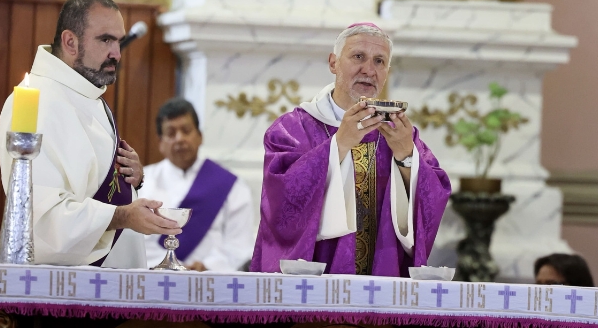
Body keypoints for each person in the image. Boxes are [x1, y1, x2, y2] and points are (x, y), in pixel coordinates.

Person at [251, 23, 451, 276]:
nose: (369, 70)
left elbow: (435, 196)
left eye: (379, 61)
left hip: (381, 281)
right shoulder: (293, 129)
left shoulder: (398, 133)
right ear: (333, 63)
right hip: (314, 282)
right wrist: (339, 145)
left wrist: (406, 157)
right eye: (358, 57)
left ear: (387, 72)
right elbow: (279, 204)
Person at [0, 0, 179, 267]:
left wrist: (133, 179)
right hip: (64, 296)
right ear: (70, 41)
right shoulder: (36, 101)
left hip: (115, 284)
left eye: (118, 41)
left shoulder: (87, 95)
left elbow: (94, 180)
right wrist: (123, 216)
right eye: (106, 40)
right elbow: (42, 221)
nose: (116, 53)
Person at [140, 98, 254, 272]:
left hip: (211, 282)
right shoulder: (142, 183)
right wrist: (167, 267)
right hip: (155, 278)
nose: (180, 139)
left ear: (200, 136)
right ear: (160, 143)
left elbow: (239, 244)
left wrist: (207, 266)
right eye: (171, 133)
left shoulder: (231, 186)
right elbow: (134, 240)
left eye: (186, 131)